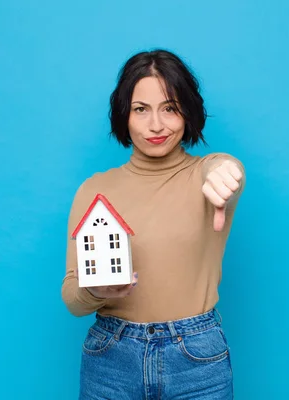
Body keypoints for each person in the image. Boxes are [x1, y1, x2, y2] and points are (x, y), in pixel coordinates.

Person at [61, 49, 245, 399]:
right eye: (140, 109)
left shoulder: (208, 174)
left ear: (188, 112)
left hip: (197, 359)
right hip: (111, 357)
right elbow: (71, 298)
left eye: (170, 108)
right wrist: (94, 292)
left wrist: (223, 172)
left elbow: (223, 169)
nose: (156, 125)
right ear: (124, 115)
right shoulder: (95, 189)